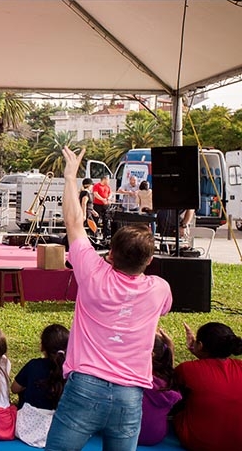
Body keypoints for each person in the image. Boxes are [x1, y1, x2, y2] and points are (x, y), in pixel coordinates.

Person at [44, 146, 172, 451]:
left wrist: (70, 176)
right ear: (150, 259)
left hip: (85, 388)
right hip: (131, 394)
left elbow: (74, 224)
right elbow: (162, 313)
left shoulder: (93, 273)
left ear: (110, 254)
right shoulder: (159, 289)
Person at [172, 322, 242, 451]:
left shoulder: (187, 369)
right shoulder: (239, 366)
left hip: (198, 442)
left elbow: (166, 388)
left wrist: (169, 352)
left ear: (200, 345)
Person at [11, 324, 69, 448]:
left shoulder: (33, 365)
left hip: (26, 428)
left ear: (42, 346)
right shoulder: (71, 370)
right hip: (60, 430)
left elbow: (14, 388)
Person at [138, 329, 181, 446]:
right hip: (155, 436)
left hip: (124, 435)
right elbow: (169, 369)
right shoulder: (167, 383)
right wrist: (171, 349)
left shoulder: (134, 374)